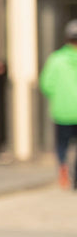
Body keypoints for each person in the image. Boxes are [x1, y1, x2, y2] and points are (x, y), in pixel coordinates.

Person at [39, 19, 77, 190]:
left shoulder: (56, 59)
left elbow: (46, 84)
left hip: (62, 111)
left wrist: (60, 95)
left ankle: (63, 170)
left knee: (62, 145)